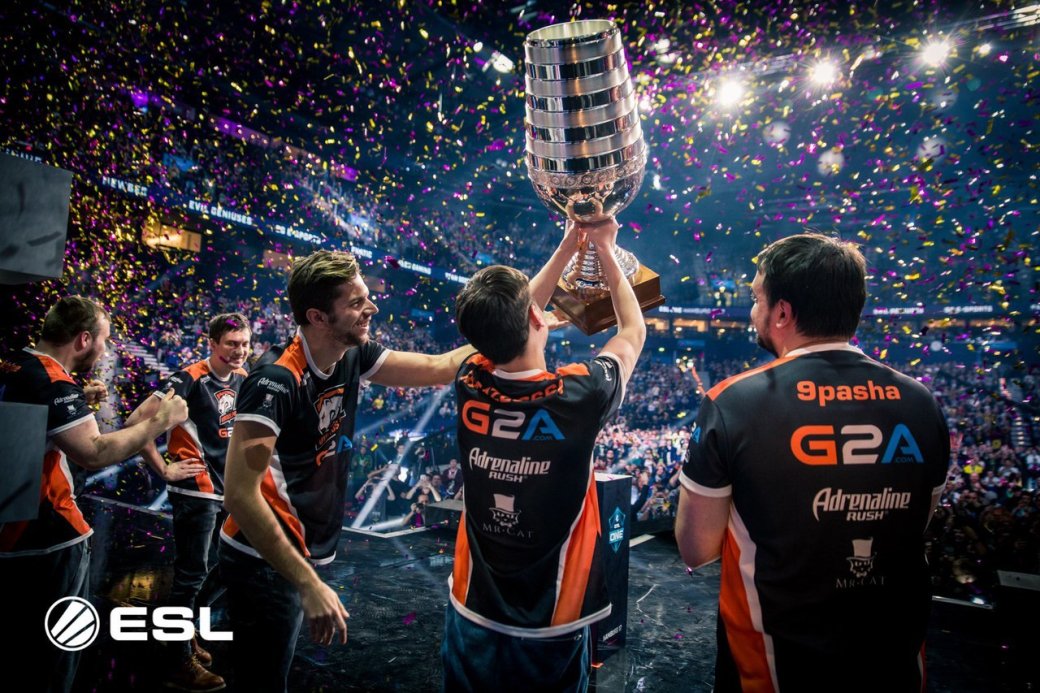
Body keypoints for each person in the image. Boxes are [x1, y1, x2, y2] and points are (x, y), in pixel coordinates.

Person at [675, 233, 951, 692]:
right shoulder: (921, 401)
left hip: (773, 667)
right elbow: (916, 523)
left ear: (782, 312)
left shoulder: (733, 401)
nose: (753, 312)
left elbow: (696, 549)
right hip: (894, 664)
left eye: (757, 299)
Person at [218, 250, 476, 692]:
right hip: (261, 557)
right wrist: (307, 583)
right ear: (318, 317)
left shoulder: (352, 353)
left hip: (297, 552)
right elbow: (240, 494)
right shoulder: (274, 381)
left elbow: (441, 366)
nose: (372, 308)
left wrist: (523, 318)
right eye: (357, 303)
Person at [442, 217, 646, 692]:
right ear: (537, 318)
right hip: (552, 622)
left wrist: (569, 245)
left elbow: (505, 320)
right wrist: (604, 249)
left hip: (470, 610)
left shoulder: (469, 378)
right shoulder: (580, 394)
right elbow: (633, 330)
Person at [0, 296, 188, 693]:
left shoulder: (15, 363)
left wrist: (77, 403)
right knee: (53, 657)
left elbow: (32, 416)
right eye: (104, 339)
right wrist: (160, 421)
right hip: (48, 538)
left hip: (12, 529)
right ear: (84, 339)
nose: (105, 348)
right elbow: (94, 452)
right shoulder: (54, 381)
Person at [128, 312, 251, 691]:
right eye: (231, 344)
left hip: (227, 488)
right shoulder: (188, 378)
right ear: (212, 343)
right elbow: (135, 420)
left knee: (224, 566)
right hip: (196, 490)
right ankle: (177, 661)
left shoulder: (242, 376)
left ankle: (184, 632)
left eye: (245, 344)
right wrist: (163, 469)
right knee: (192, 574)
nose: (239, 351)